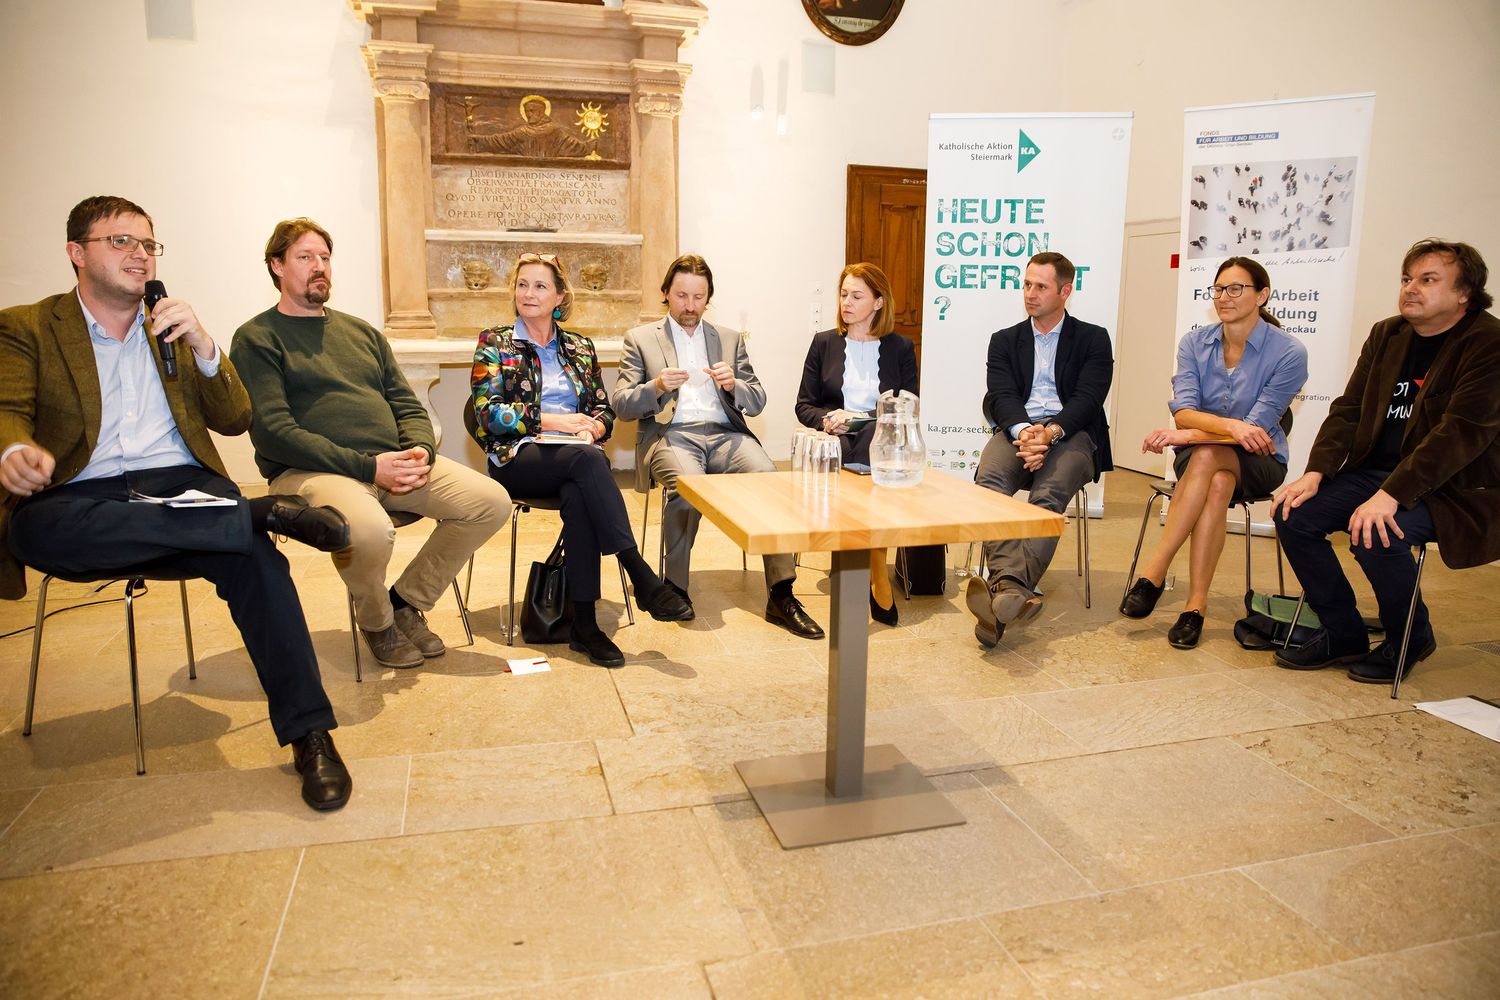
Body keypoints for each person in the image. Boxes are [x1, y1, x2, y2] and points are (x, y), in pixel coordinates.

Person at [0, 195, 354, 811]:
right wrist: (12, 450)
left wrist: (206, 348)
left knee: (258, 562)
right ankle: (257, 513)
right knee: (33, 531)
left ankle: (311, 735)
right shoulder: (28, 326)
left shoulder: (170, 326)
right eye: (121, 241)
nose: (140, 254)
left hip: (182, 487)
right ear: (76, 252)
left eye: (147, 243)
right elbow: (5, 411)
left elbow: (236, 418)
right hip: (81, 494)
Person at [231, 218, 511, 670]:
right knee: (368, 531)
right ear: (277, 266)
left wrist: (419, 450)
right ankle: (378, 622)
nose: (319, 267)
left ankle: (406, 601)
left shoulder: (361, 332)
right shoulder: (257, 338)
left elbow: (406, 403)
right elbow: (274, 432)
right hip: (312, 472)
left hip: (391, 464)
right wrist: (369, 468)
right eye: (305, 257)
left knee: (490, 502)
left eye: (325, 257)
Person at [1271, 239, 1499, 683]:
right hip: (1376, 473)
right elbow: (1350, 409)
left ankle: (1410, 637)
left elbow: (1461, 433)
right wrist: (1316, 472)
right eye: (1407, 278)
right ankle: (1343, 633)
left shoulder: (1488, 344)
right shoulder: (1387, 334)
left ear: (1464, 293)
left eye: (1428, 280)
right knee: (1294, 514)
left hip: (1451, 487)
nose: (1410, 288)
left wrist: (1391, 495)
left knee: (1377, 533)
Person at [469, 252, 691, 667]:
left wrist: (592, 430)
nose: (528, 293)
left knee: (580, 491)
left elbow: (604, 410)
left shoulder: (579, 347)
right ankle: (638, 572)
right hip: (518, 458)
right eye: (522, 285)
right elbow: (487, 413)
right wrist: (557, 421)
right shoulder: (495, 343)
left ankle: (585, 627)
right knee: (589, 464)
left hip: (575, 460)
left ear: (559, 297)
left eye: (540, 286)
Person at [613, 255, 823, 638]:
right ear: (666, 292)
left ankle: (781, 594)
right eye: (682, 296)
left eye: (699, 297)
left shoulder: (727, 338)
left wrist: (733, 385)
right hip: (673, 434)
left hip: (727, 435)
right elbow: (622, 405)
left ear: (709, 297)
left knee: (769, 477)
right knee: (689, 487)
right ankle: (675, 587)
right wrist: (656, 387)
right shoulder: (640, 338)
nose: (690, 306)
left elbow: (757, 399)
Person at [1120, 256, 1308, 649]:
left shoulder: (1289, 352)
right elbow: (1185, 410)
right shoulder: (1195, 343)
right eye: (1219, 289)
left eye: (1236, 288)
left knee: (1207, 456)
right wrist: (1229, 427)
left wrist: (1192, 434)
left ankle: (1154, 573)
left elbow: (1256, 431)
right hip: (1202, 457)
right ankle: (1195, 606)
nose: (1224, 297)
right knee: (1217, 483)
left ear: (1262, 295)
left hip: (1261, 460)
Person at [966, 252, 1114, 648]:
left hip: (1072, 432)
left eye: (1041, 286)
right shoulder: (1004, 340)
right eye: (1027, 284)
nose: (1030, 293)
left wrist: (1050, 433)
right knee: (989, 484)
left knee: (1048, 494)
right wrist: (1026, 432)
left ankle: (1004, 587)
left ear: (1065, 291)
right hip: (1018, 429)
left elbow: (1088, 399)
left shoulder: (1093, 338)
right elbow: (1001, 395)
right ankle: (1012, 590)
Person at [795, 262, 918, 625]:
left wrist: (864, 418)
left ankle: (868, 564)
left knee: (870, 437)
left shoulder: (900, 347)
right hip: (834, 439)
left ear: (878, 302)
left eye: (857, 296)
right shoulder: (824, 343)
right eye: (844, 294)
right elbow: (804, 405)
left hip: (878, 440)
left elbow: (907, 405)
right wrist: (826, 420)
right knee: (857, 445)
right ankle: (877, 573)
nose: (846, 302)